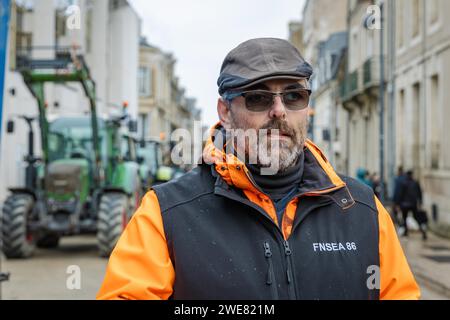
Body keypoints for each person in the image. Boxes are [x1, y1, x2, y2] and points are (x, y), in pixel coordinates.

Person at [97, 38, 420, 300]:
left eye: (294, 95)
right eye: (257, 98)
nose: (279, 111)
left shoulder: (362, 208)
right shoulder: (165, 213)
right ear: (225, 112)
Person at [397, 170, 427, 240]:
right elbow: (419, 193)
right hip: (413, 204)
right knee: (417, 218)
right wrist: (420, 202)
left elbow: (400, 194)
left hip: (404, 204)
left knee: (404, 218)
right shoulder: (415, 183)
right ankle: (422, 231)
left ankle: (406, 232)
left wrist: (397, 203)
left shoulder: (403, 183)